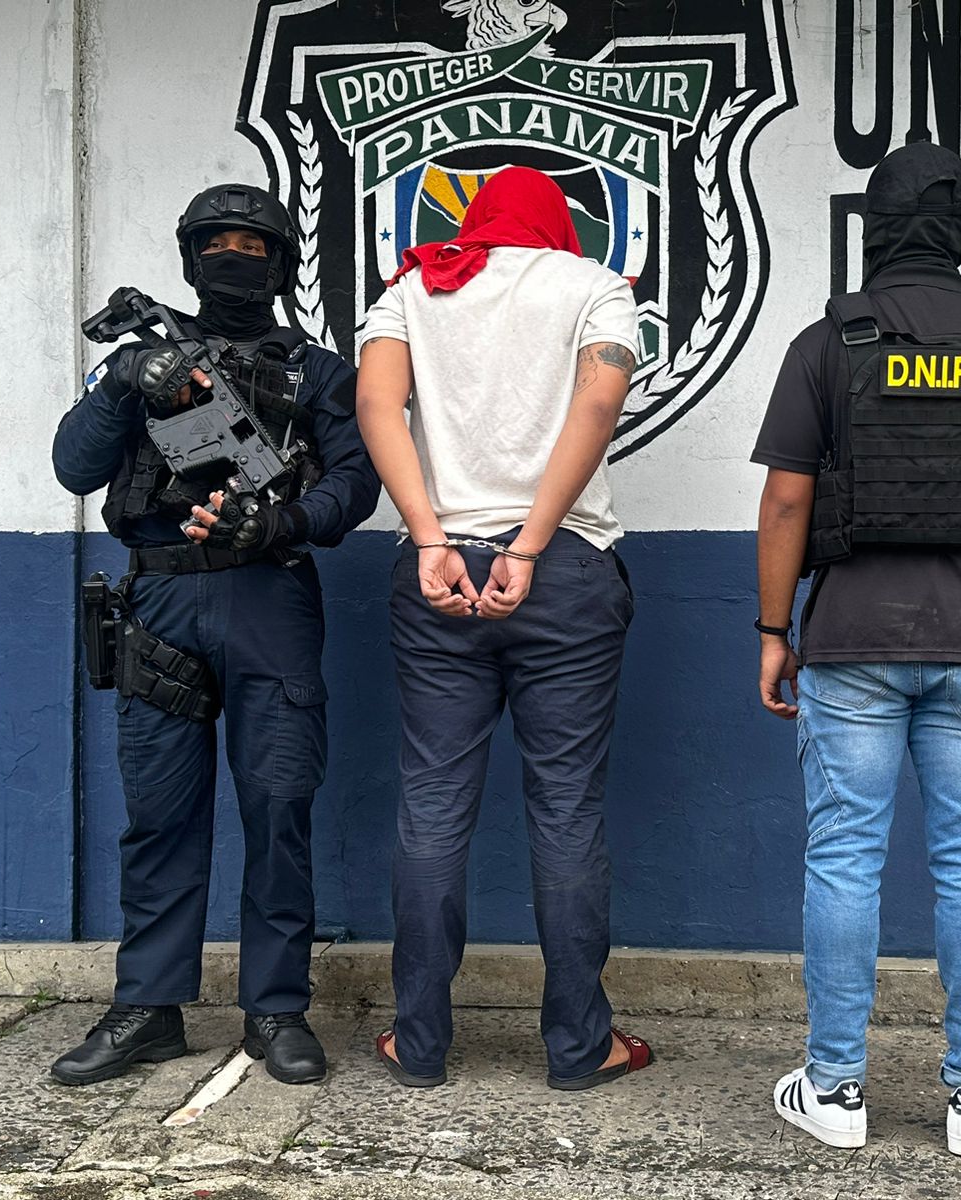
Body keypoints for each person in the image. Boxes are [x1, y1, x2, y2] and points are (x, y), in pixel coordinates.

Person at [752, 141, 961, 1156]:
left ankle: (834, 1089)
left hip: (848, 642)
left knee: (844, 859)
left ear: (873, 230)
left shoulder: (827, 344)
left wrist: (773, 632)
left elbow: (786, 502)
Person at [49, 183, 380, 1086]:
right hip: (160, 601)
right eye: (217, 244)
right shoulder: (141, 359)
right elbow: (74, 465)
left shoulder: (319, 373)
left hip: (269, 598)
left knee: (279, 809)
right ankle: (148, 1007)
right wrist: (127, 381)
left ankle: (277, 1011)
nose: (234, 258)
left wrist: (279, 522)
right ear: (190, 259)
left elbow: (355, 485)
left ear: (282, 264)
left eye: (254, 245)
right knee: (159, 816)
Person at [355, 166, 652, 1092]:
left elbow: (376, 406)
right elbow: (598, 403)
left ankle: (419, 1041)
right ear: (557, 223)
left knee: (433, 805)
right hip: (563, 574)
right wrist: (527, 546)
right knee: (566, 808)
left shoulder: (413, 290)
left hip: (438, 570)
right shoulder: (594, 287)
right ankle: (579, 1046)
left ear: (478, 220)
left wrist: (429, 535)